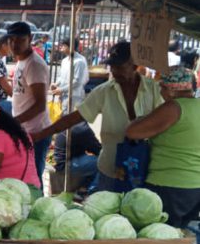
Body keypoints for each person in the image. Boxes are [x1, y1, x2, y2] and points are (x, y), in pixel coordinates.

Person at [33, 41, 164, 193]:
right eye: (112, 66)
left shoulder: (153, 90)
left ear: (134, 66)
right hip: (110, 169)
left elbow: (164, 122)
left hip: (144, 168)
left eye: (119, 67)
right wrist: (44, 133)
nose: (114, 71)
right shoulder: (103, 92)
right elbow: (75, 117)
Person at [126, 67, 200, 227]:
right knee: (182, 238)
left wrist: (141, 119)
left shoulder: (173, 108)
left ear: (171, 90)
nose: (160, 91)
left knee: (161, 238)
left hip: (169, 186)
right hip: (195, 187)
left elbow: (133, 132)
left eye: (162, 87)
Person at [7, 21, 51, 183]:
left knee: (33, 179)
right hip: (25, 130)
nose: (14, 44)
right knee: (24, 176)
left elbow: (40, 105)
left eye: (20, 39)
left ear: (30, 38)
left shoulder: (34, 65)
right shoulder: (21, 61)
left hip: (36, 132)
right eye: (11, 39)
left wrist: (12, 122)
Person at [53, 121, 101, 192]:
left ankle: (82, 189)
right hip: (66, 165)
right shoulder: (83, 128)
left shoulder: (71, 121)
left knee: (90, 160)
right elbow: (98, 149)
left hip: (61, 162)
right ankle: (91, 192)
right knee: (101, 163)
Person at [52, 38, 89, 112]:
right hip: (63, 95)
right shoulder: (64, 61)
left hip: (74, 96)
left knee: (70, 119)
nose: (61, 47)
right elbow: (61, 77)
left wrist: (61, 89)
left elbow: (77, 81)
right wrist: (56, 84)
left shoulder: (79, 61)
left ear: (71, 47)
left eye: (64, 45)